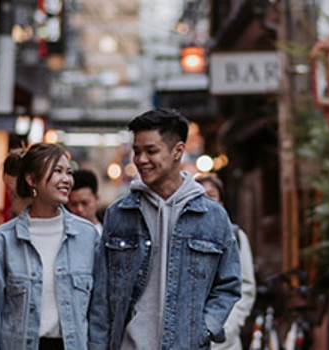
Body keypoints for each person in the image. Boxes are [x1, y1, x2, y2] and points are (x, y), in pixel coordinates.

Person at [89, 109, 241, 350]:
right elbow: (102, 294)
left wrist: (204, 329)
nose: (140, 160)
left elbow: (229, 285)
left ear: (177, 151)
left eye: (151, 151)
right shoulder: (119, 214)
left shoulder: (212, 217)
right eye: (136, 151)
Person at [0, 143, 99, 350]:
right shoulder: (2, 241)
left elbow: (99, 312)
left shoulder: (87, 236)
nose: (66, 180)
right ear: (31, 179)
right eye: (57, 171)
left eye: (69, 172)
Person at [194, 175, 256, 350]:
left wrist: (232, 323)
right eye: (199, 196)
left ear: (221, 203)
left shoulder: (234, 235)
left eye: (211, 195)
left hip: (225, 339)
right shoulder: (180, 238)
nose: (205, 201)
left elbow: (246, 285)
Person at [66, 169, 105, 235]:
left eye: (85, 203)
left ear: (97, 199)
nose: (79, 209)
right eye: (74, 204)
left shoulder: (111, 230)